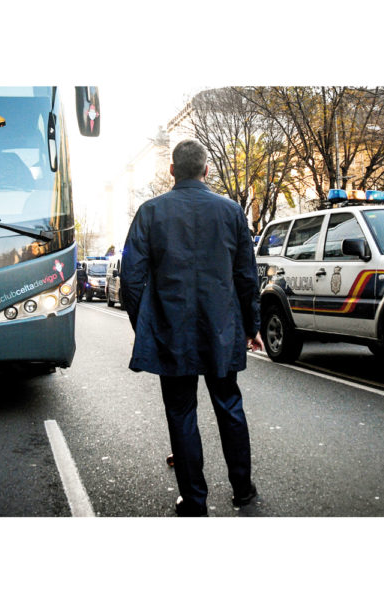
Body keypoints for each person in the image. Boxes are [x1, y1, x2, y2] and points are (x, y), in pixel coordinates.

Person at [120, 139, 262, 517]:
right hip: (221, 328)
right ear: (207, 170)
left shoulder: (150, 212)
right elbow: (248, 276)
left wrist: (145, 326)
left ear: (172, 171)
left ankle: (194, 501)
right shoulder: (232, 212)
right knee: (229, 405)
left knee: (181, 412)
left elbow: (130, 279)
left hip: (172, 329)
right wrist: (252, 325)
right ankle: (242, 489)